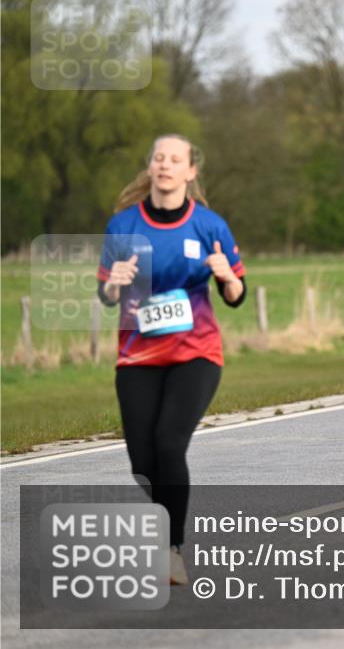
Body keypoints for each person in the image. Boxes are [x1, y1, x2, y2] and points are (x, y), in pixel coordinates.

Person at [97, 134, 247, 585]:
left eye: (174, 159)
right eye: (158, 158)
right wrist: (115, 283)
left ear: (190, 171)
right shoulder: (122, 226)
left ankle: (170, 549)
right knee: (143, 464)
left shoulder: (209, 226)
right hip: (137, 356)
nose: (164, 165)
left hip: (196, 353)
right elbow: (106, 295)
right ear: (150, 168)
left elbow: (237, 294)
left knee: (168, 444)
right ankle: (168, 513)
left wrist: (226, 277)